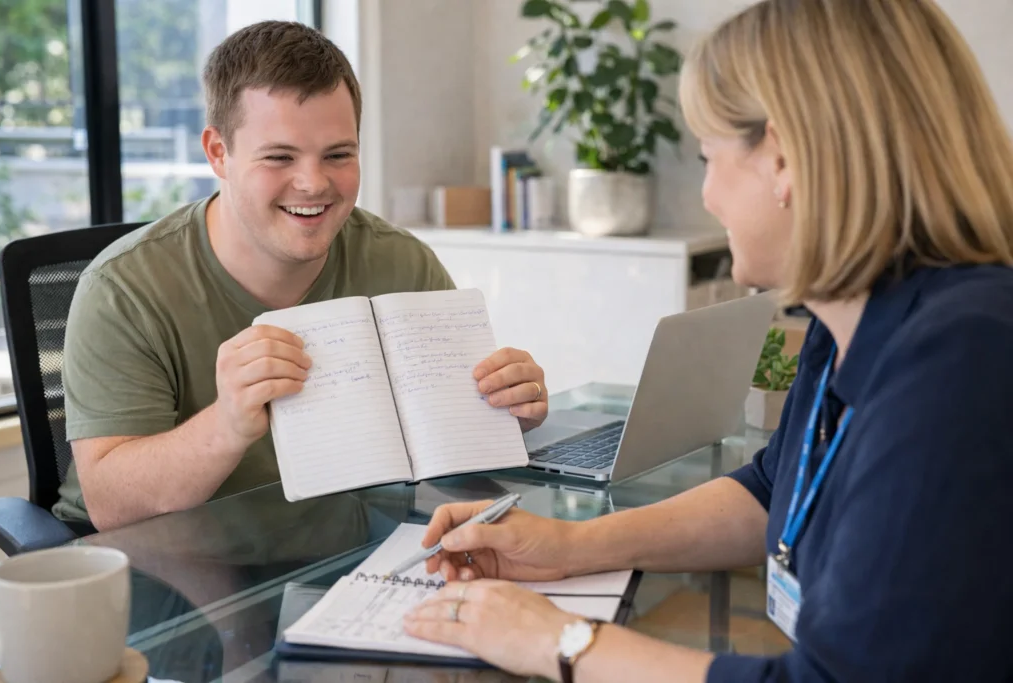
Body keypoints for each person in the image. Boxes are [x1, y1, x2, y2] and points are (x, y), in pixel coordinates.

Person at [402, 1, 1013, 681]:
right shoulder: (851, 320)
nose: (708, 195)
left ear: (781, 157)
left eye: (708, 156)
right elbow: (770, 488)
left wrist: (563, 643)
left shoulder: (961, 360)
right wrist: (569, 543)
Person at [57, 21, 549, 532]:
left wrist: (507, 415)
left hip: (343, 554)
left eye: (338, 155)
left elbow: (451, 456)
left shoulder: (402, 264)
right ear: (218, 153)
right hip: (172, 569)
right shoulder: (123, 290)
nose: (314, 183)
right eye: (279, 157)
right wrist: (227, 425)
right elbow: (111, 504)